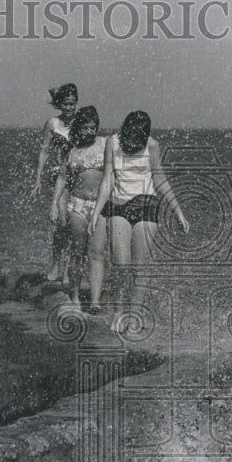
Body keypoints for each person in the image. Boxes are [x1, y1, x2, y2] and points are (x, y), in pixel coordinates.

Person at [88, 110, 189, 329]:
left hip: (147, 204)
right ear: (124, 131)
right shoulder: (112, 143)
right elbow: (108, 179)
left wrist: (178, 211)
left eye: (138, 139)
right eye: (130, 138)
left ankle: (134, 316)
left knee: (141, 266)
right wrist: (96, 212)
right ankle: (118, 312)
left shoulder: (152, 145)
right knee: (121, 264)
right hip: (119, 205)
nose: (134, 143)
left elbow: (159, 177)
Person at [51, 106, 107, 312]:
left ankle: (94, 301)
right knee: (78, 252)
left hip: (99, 206)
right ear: (78, 128)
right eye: (85, 128)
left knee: (97, 253)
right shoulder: (72, 150)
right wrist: (56, 204)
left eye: (93, 127)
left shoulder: (105, 144)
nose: (89, 132)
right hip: (78, 204)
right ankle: (74, 295)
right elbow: (63, 179)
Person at [32, 83, 78, 282]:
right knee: (61, 221)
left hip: (76, 176)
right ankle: (55, 264)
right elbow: (44, 151)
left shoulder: (81, 121)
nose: (69, 108)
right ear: (60, 104)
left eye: (73, 104)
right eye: (66, 104)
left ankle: (67, 268)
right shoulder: (52, 124)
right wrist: (37, 180)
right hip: (57, 174)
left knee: (72, 223)